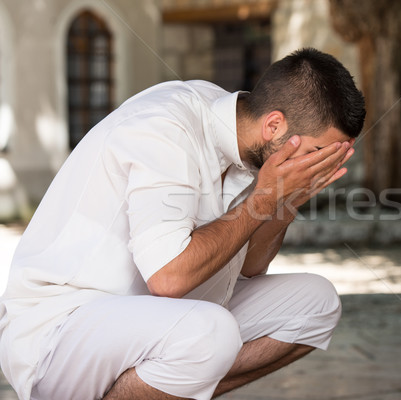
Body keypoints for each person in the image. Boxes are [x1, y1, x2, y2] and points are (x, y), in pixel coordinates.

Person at [0, 47, 365, 400]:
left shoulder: (253, 144)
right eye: (319, 153)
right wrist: (265, 198)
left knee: (316, 304)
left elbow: (252, 267)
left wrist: (283, 204)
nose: (323, 167)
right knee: (209, 333)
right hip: (62, 329)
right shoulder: (166, 128)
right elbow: (169, 277)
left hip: (157, 321)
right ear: (274, 125)